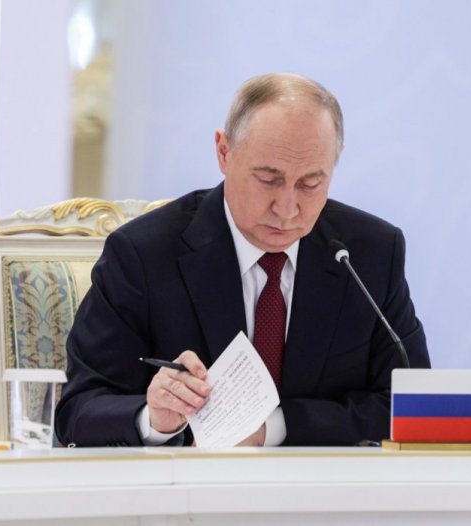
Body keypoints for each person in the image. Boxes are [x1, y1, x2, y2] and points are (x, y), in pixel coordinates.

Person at [55, 73, 430, 447]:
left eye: (310, 184)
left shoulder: (370, 254)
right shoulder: (144, 254)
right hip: (188, 482)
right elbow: (78, 411)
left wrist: (273, 428)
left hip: (327, 484)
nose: (287, 209)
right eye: (269, 179)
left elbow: (413, 407)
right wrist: (153, 419)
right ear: (224, 152)